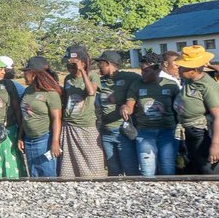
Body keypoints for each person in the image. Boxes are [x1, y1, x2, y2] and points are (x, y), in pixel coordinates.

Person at [122, 52, 180, 177]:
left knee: (167, 168)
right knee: (147, 171)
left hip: (168, 132)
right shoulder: (136, 85)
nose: (142, 74)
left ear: (157, 69)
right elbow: (130, 106)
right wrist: (125, 108)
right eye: (141, 70)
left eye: (146, 71)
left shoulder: (171, 85)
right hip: (144, 134)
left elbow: (179, 108)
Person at [59, 45, 106, 178]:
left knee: (92, 160)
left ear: (83, 63)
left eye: (73, 65)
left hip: (86, 124)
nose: (70, 68)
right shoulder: (68, 79)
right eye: (68, 65)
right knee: (70, 162)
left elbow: (91, 92)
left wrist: (82, 71)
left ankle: (95, 181)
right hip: (69, 124)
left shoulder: (92, 76)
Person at [175, 45, 219, 174]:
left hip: (203, 134)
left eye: (182, 67)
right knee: (195, 168)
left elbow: (218, 116)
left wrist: (216, 145)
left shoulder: (207, 86)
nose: (179, 68)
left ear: (193, 69)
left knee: (208, 170)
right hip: (190, 133)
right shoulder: (190, 81)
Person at [95, 50, 140, 176]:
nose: (98, 66)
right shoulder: (100, 81)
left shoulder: (129, 77)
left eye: (101, 63)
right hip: (105, 131)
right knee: (113, 170)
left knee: (130, 168)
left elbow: (144, 86)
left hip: (121, 131)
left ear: (108, 63)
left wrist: (124, 103)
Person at [19, 57, 62, 177]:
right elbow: (25, 115)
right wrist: (20, 137)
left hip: (44, 139)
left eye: (26, 72)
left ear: (35, 74)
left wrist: (55, 142)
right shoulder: (27, 91)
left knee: (48, 174)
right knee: (34, 175)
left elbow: (56, 119)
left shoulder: (51, 94)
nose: (23, 75)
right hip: (29, 140)